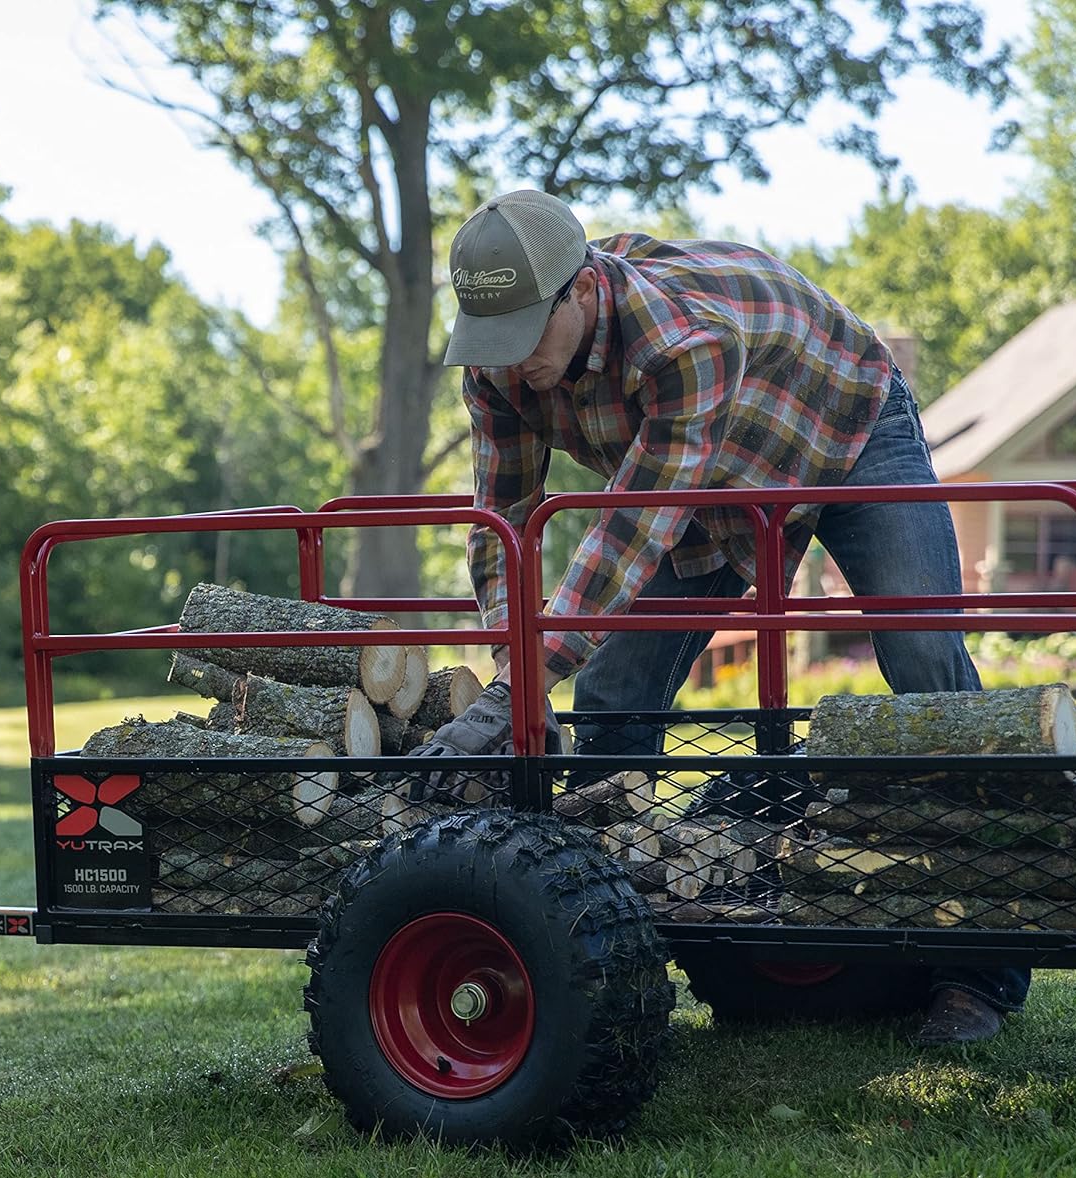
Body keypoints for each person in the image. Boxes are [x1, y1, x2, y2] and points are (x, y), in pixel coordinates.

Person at [412, 187, 1028, 1045]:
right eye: (494, 344)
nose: (511, 366)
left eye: (524, 337)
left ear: (582, 290)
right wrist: (515, 679)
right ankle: (603, 960)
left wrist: (524, 676)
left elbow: (630, 527)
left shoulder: (681, 342)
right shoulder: (499, 373)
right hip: (710, 482)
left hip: (840, 427)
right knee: (616, 691)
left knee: (924, 657)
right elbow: (502, 529)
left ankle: (981, 971)